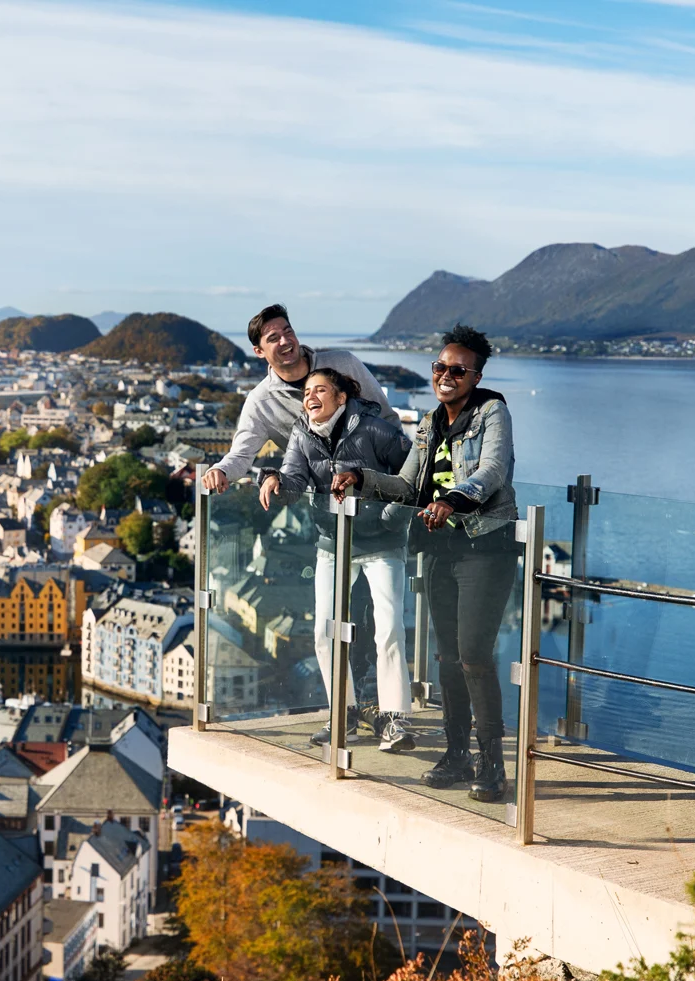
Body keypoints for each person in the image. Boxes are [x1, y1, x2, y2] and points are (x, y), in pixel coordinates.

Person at [332, 324, 517, 801]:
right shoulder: (429, 423)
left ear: (476, 376)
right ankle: (456, 754)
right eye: (440, 367)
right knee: (448, 657)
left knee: (475, 656)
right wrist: (360, 477)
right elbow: (408, 486)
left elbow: (493, 470)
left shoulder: (492, 411)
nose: (446, 375)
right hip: (439, 551)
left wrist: (455, 499)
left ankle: (491, 764)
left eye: (458, 369)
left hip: (485, 548)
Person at [259, 367, 413, 747]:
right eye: (306, 391)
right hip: (333, 540)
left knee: (389, 628)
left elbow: (414, 476)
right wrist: (273, 479)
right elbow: (295, 480)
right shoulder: (302, 431)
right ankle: (342, 713)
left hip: (381, 542)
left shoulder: (376, 430)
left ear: (341, 398)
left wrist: (393, 518)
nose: (310, 396)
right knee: (325, 630)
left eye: (320, 390)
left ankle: (395, 719)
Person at [202, 304, 392, 494]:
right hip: (325, 505)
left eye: (288, 331)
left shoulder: (344, 363)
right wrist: (220, 470)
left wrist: (397, 484)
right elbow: (242, 454)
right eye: (273, 338)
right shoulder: (260, 402)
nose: (285, 341)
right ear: (259, 351)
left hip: (380, 493)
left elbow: (388, 419)